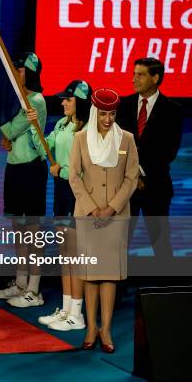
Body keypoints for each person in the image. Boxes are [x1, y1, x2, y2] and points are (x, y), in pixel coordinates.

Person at [69, 88, 138, 353]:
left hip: (115, 217)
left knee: (109, 275)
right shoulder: (80, 139)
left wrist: (112, 208)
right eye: (104, 114)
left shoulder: (127, 139)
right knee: (90, 275)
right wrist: (91, 208)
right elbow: (74, 176)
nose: (108, 119)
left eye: (112, 114)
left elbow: (131, 178)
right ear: (95, 113)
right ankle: (90, 328)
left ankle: (105, 329)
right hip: (88, 216)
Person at [28, 80, 92, 331]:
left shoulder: (89, 131)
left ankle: (77, 314)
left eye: (68, 99)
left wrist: (61, 169)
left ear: (81, 102)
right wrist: (35, 125)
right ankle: (66, 309)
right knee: (65, 252)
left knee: (75, 254)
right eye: (63, 99)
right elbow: (43, 148)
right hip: (62, 192)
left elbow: (88, 168)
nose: (63, 102)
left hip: (77, 194)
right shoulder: (62, 124)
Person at [0, 52, 48, 307]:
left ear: (31, 72)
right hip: (13, 169)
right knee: (18, 231)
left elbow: (12, 130)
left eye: (20, 69)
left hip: (31, 170)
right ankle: (21, 283)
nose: (16, 72)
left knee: (32, 232)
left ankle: (34, 290)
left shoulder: (37, 101)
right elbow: (9, 136)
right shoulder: (16, 99)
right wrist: (7, 137)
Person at [116, 58, 183, 260]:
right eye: (134, 73)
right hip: (126, 186)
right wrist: (131, 174)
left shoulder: (172, 110)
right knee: (120, 243)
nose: (134, 79)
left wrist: (141, 174)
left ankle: (167, 288)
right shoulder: (124, 105)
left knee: (160, 243)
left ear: (155, 78)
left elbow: (168, 152)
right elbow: (117, 145)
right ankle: (116, 288)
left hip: (156, 186)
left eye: (141, 74)